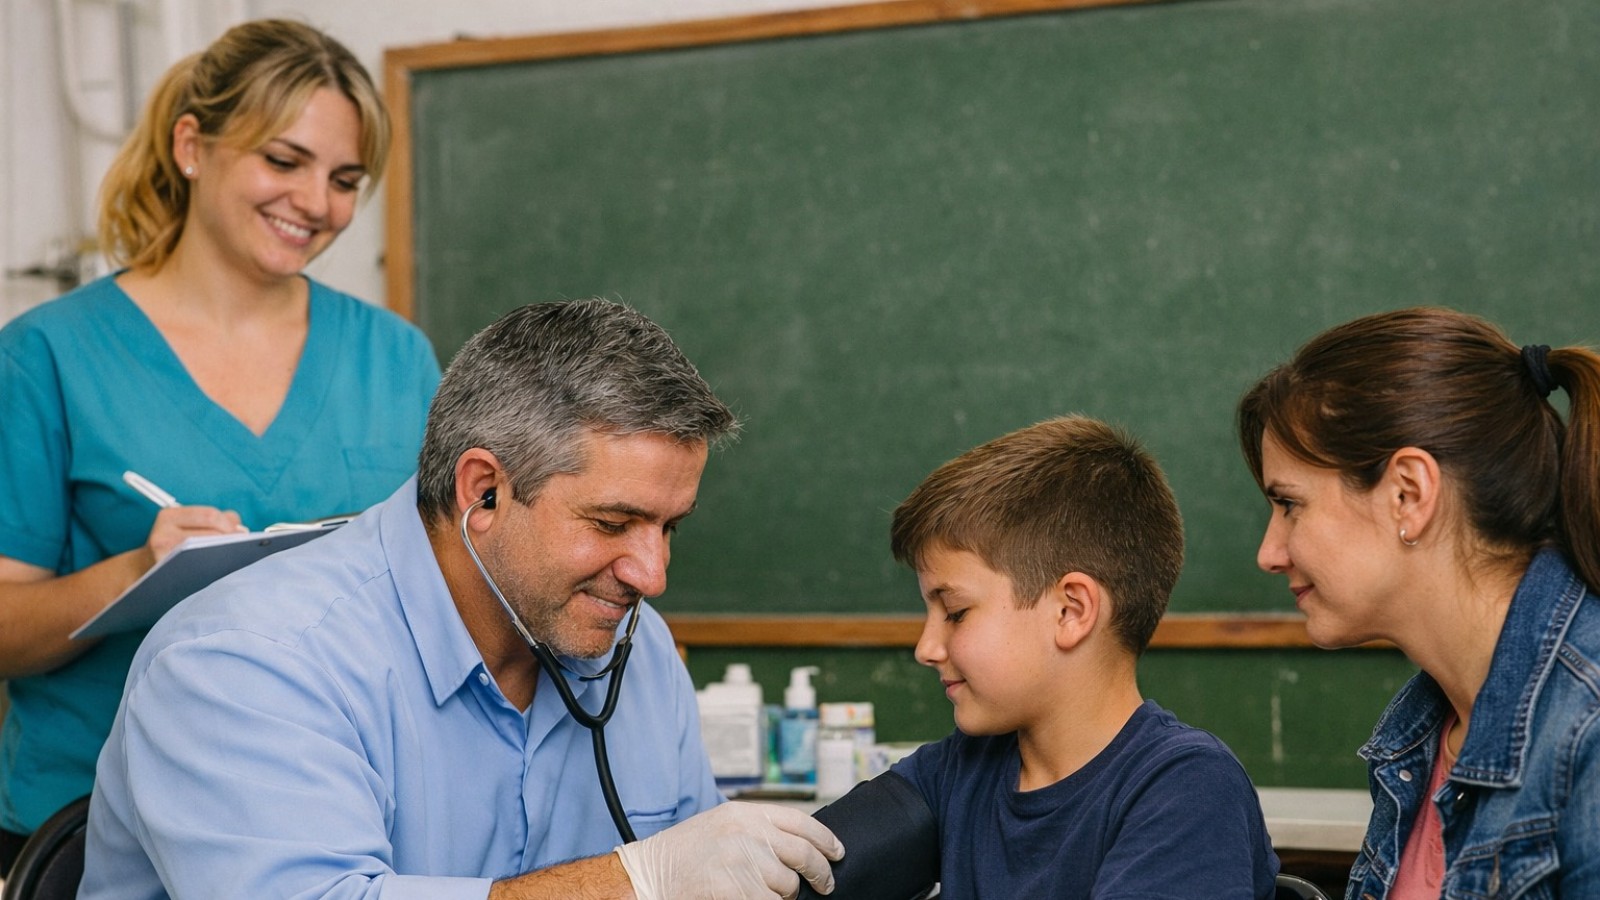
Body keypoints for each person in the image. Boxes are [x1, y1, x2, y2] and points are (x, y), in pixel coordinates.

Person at [80, 298, 843, 899]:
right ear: (483, 492)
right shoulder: (241, 664)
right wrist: (639, 884)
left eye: (670, 528)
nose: (651, 574)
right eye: (613, 524)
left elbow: (707, 878)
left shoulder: (630, 652)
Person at [0, 19, 440, 872]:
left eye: (346, 179)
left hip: (348, 825)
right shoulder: (46, 355)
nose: (316, 204)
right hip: (93, 839)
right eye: (284, 162)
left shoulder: (396, 358)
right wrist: (134, 573)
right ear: (192, 147)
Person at [1236, 307, 1600, 899]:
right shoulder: (1420, 732)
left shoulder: (1587, 729)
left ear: (1409, 493)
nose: (1269, 552)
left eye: (1289, 504)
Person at [886, 416, 1280, 898]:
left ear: (1071, 611)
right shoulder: (954, 771)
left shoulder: (1187, 787)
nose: (926, 648)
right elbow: (814, 870)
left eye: (955, 611)